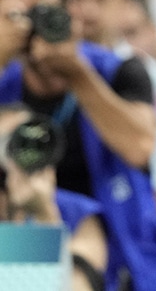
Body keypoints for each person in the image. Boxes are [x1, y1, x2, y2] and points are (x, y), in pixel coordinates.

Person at [0, 0, 156, 291]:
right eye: (15, 16)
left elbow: (139, 148)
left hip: (98, 225)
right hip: (17, 214)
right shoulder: (5, 79)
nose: (32, 25)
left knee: (60, 281)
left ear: (69, 14)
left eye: (43, 11)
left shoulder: (118, 71)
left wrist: (77, 73)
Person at [60, 0, 156, 214]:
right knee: (20, 253)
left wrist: (135, 242)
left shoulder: (153, 76)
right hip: (45, 214)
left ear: (122, 2)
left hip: (121, 221)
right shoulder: (38, 68)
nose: (88, 11)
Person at [0, 104, 109, 291]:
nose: (23, 151)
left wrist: (44, 216)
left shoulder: (77, 212)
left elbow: (76, 287)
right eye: (11, 141)